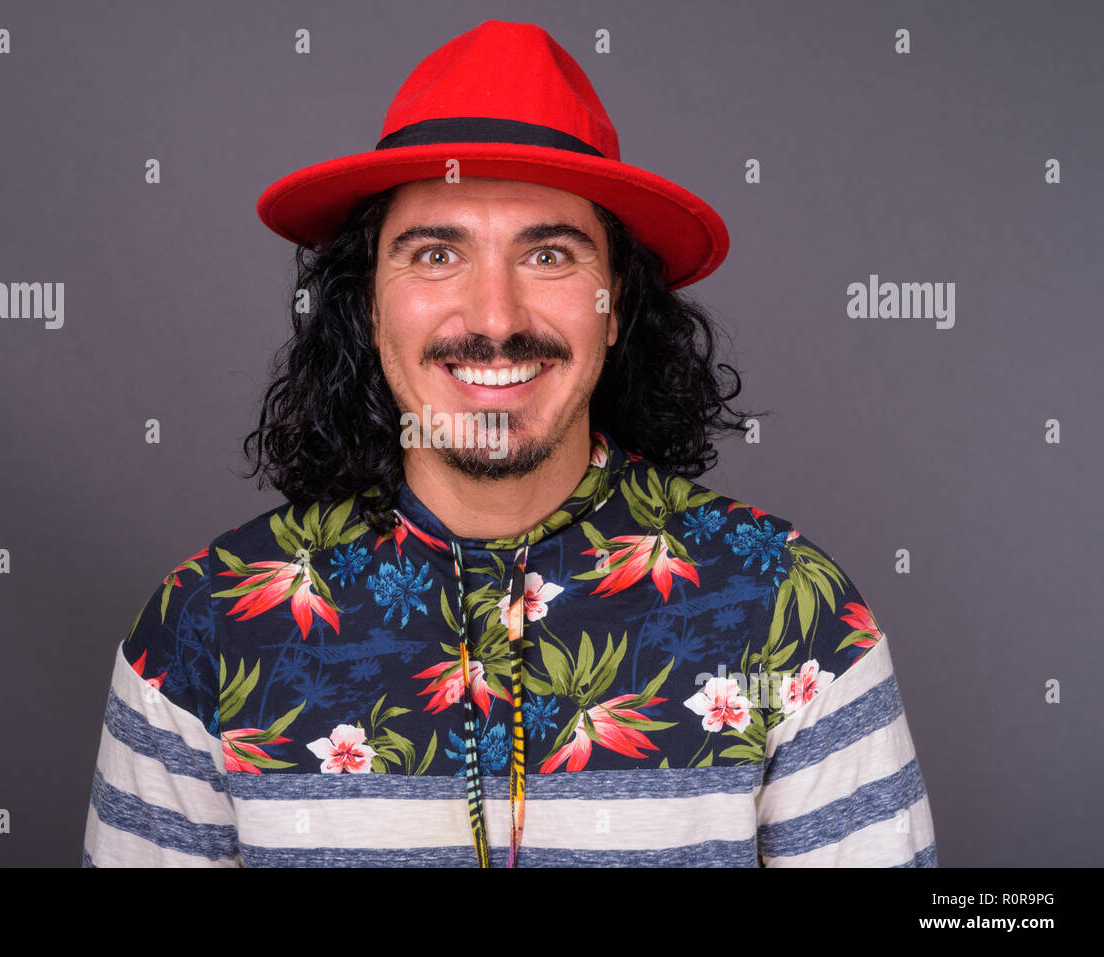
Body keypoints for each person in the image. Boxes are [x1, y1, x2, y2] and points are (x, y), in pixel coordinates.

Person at [82, 19, 936, 868]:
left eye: (551, 255)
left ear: (617, 303)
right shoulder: (200, 634)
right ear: (368, 302)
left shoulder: (797, 616)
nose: (495, 319)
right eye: (436, 253)